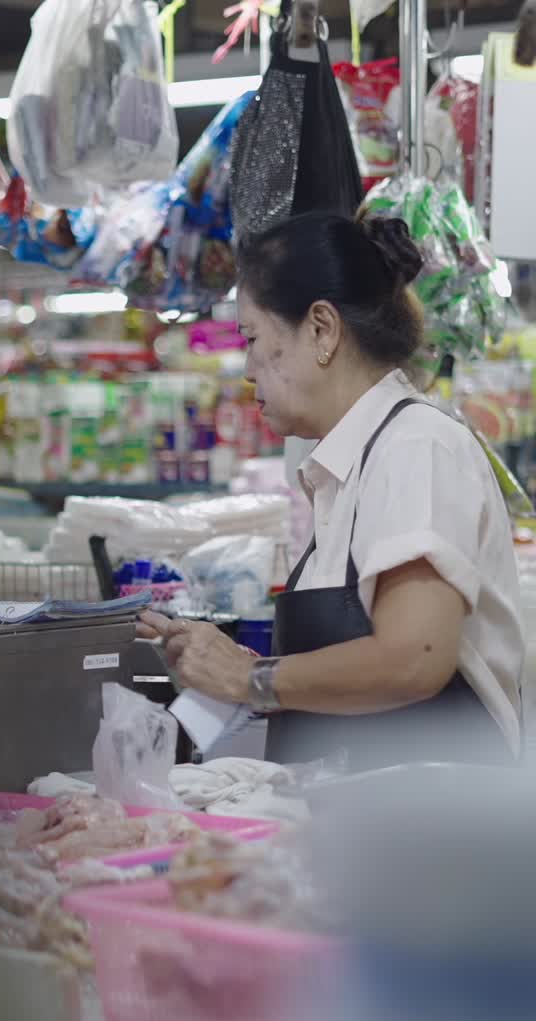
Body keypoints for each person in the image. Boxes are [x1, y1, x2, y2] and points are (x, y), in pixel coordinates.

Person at [140, 211, 524, 769]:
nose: (247, 369)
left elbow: (414, 658)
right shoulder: (348, 468)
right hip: (359, 809)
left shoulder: (416, 446)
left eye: (253, 338)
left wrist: (252, 678)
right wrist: (222, 665)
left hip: (436, 815)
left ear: (321, 329)